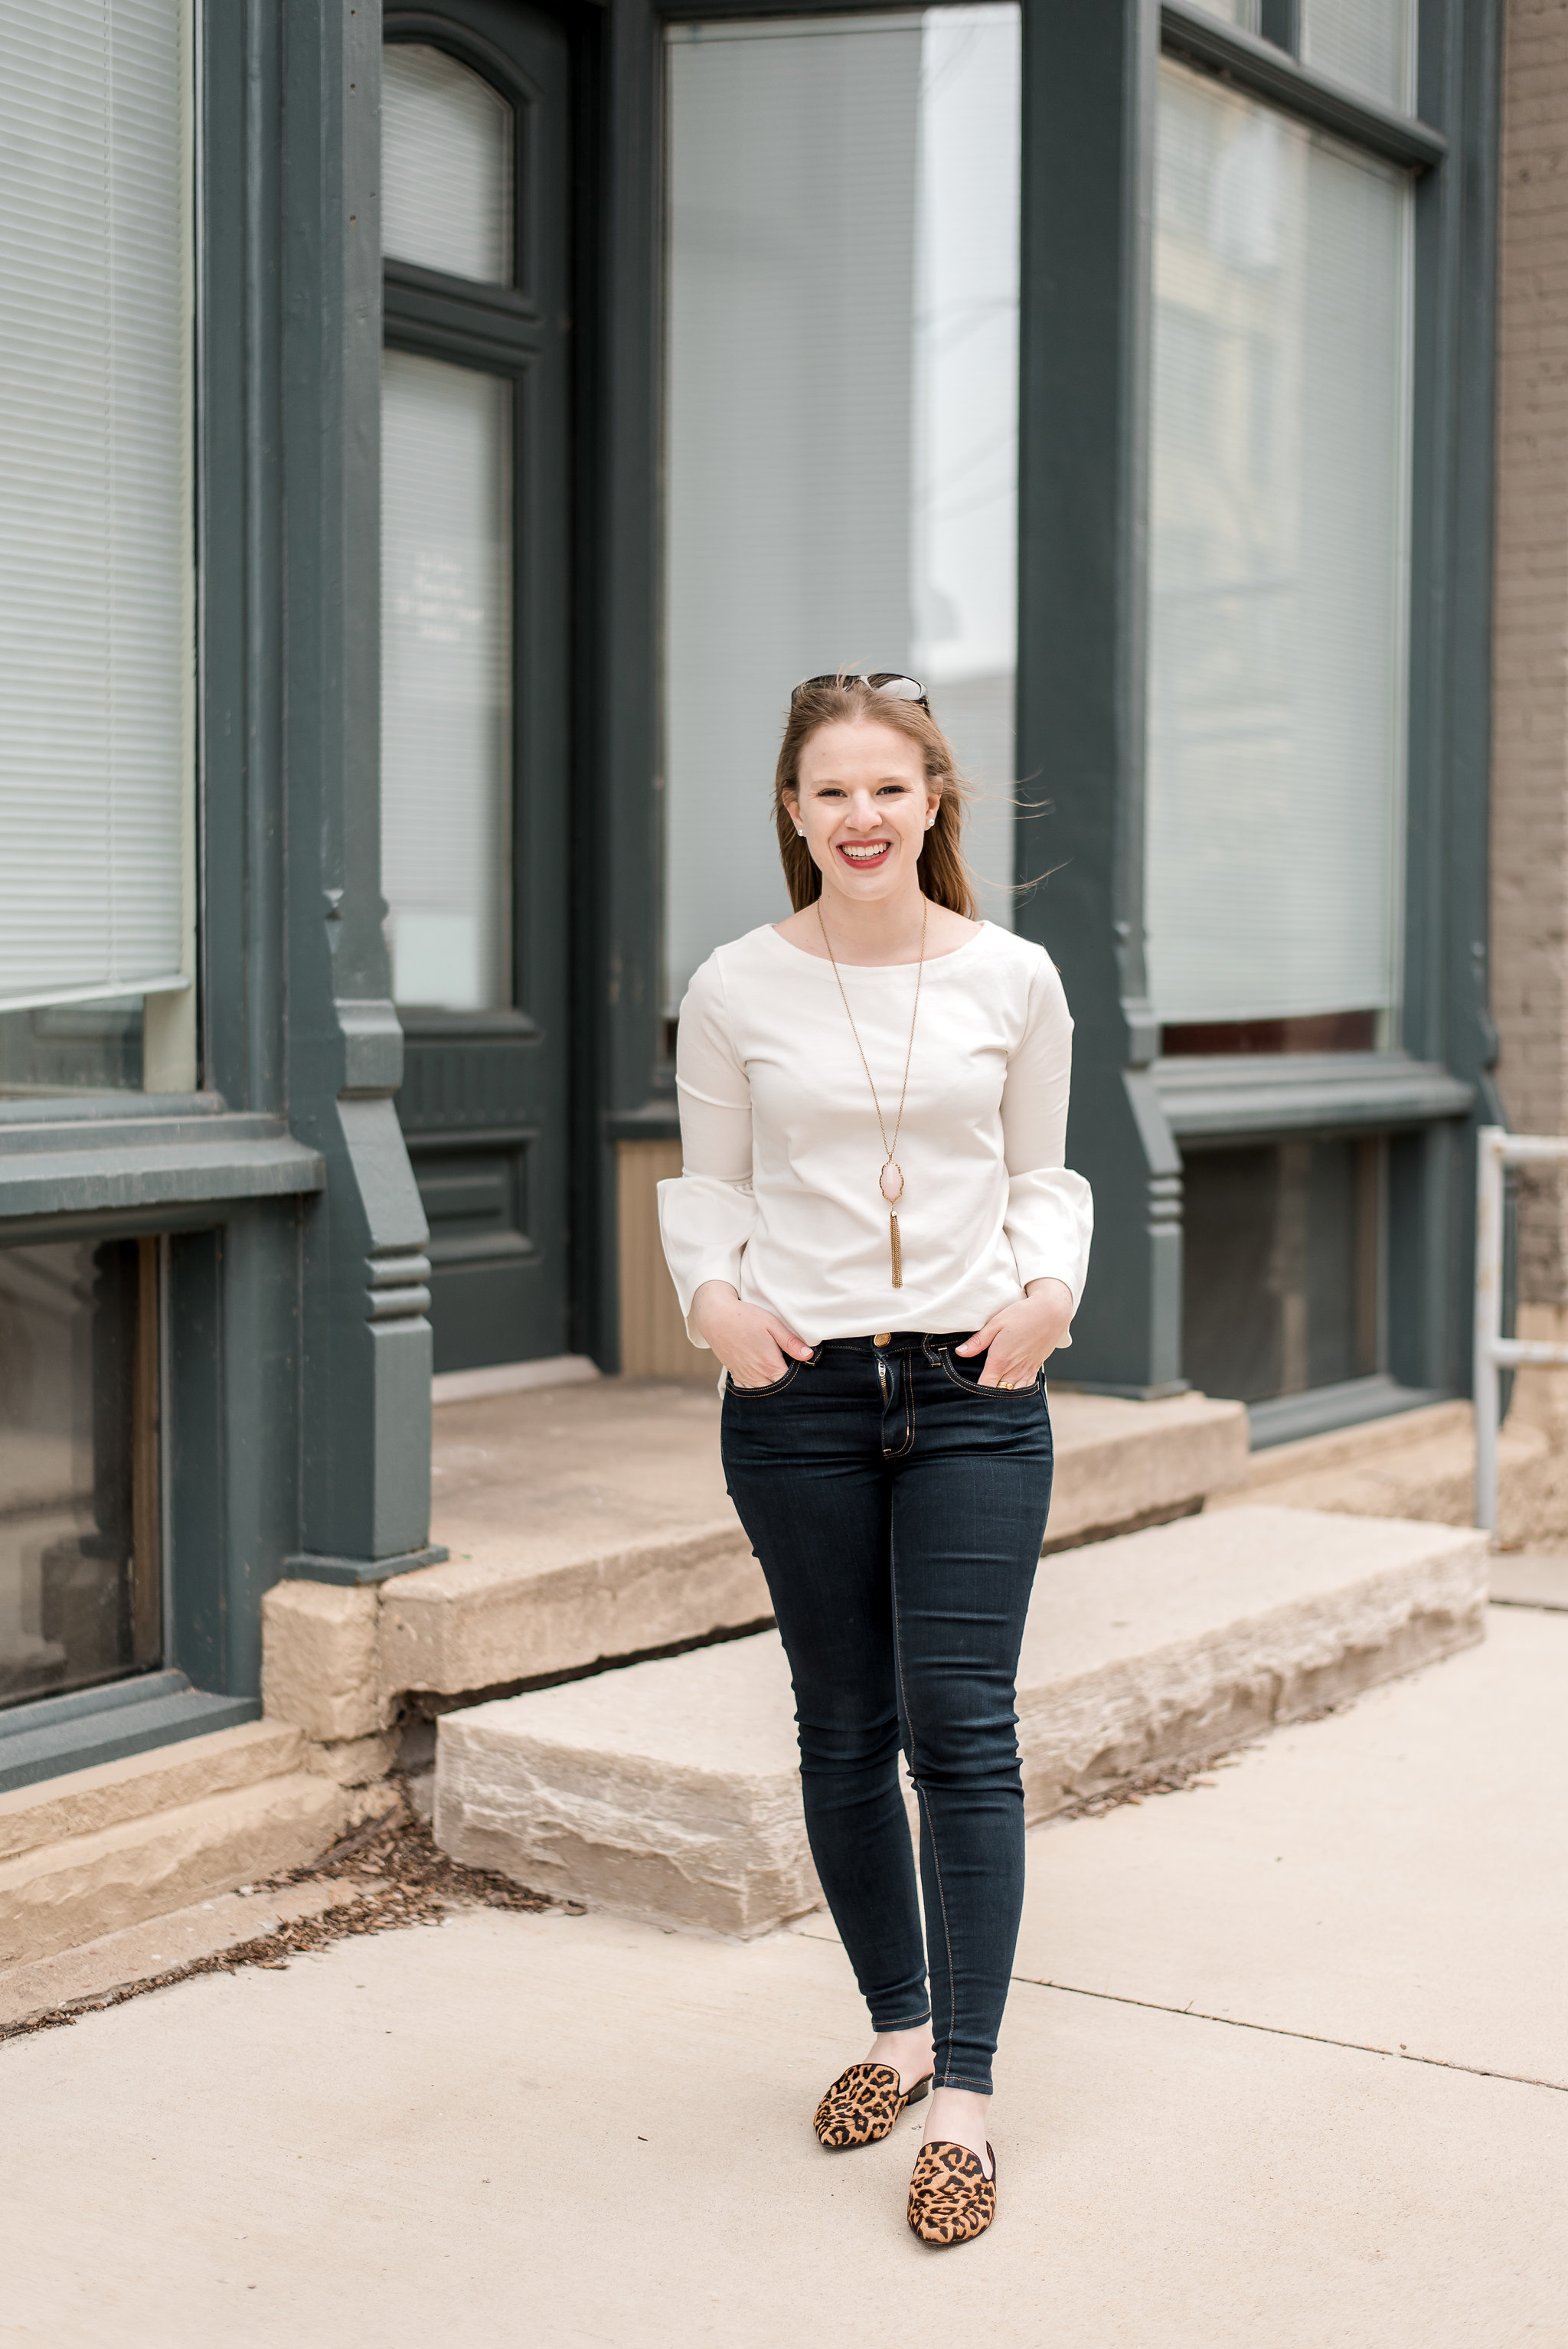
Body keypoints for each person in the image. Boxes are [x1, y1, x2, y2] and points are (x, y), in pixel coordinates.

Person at [657, 671, 1093, 2246]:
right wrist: (717, 1305)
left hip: (976, 1385)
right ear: (792, 808)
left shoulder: (1012, 975)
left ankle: (962, 2101)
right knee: (842, 1729)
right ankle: (893, 2030)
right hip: (803, 1399)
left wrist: (1046, 1293)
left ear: (932, 802)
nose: (860, 817)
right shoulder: (733, 985)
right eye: (830, 790)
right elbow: (710, 1191)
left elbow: (1042, 1167)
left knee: (959, 1731)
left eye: (888, 789)